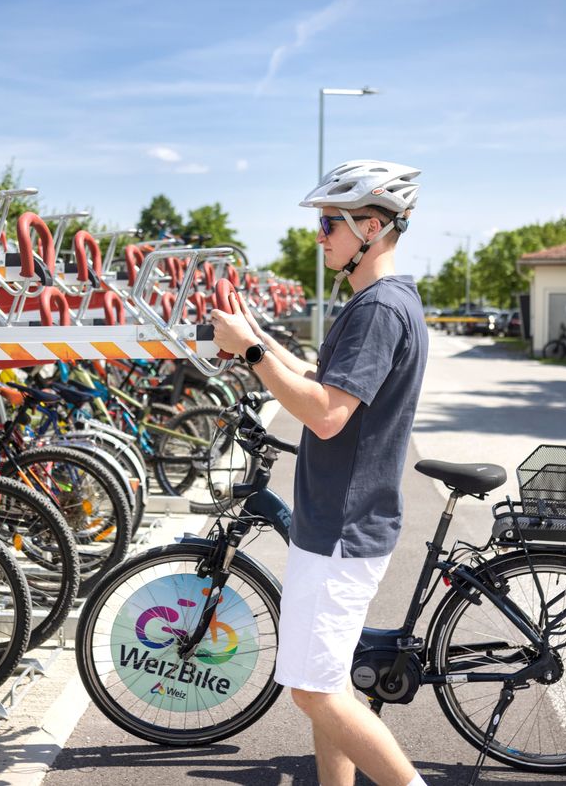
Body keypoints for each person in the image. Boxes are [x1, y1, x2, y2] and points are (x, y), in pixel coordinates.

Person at [211, 160, 429, 786]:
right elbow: (320, 382)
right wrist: (259, 339)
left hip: (342, 525)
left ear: (371, 226)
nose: (319, 236)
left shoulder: (376, 309)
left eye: (329, 223)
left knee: (312, 691)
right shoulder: (383, 300)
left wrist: (252, 355)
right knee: (327, 682)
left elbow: (328, 415)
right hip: (339, 521)